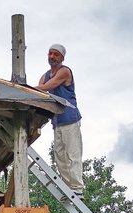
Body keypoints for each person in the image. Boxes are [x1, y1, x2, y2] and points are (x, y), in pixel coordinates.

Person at [36, 43, 84, 196]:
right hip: (57, 121)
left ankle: (77, 188)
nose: (52, 57)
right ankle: (67, 188)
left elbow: (46, 87)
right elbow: (40, 91)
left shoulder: (64, 72)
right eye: (50, 53)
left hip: (70, 118)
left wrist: (24, 88)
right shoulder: (46, 74)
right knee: (60, 156)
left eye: (55, 54)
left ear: (62, 57)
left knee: (73, 154)